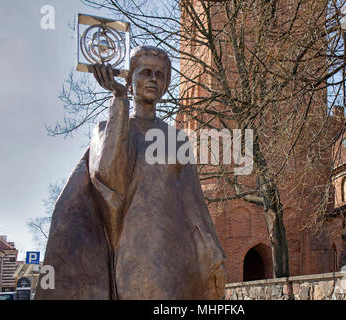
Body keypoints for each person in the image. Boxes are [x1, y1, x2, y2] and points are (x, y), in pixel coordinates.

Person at [36, 46, 226, 300]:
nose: (153, 79)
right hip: (127, 252)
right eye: (145, 72)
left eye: (160, 75)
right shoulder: (107, 129)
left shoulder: (177, 140)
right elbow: (108, 180)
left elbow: (194, 204)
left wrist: (213, 253)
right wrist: (119, 100)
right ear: (130, 78)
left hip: (171, 257)